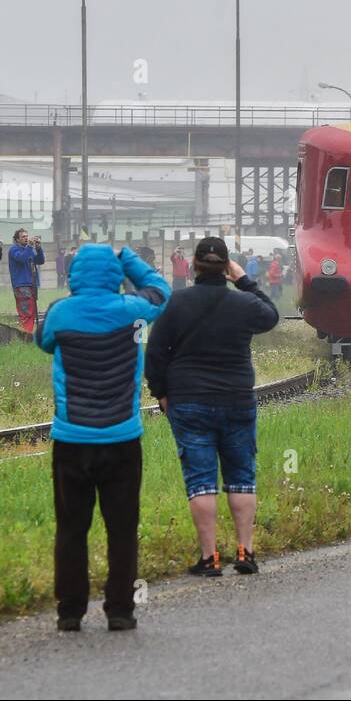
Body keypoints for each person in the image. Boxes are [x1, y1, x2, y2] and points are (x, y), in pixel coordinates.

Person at [35, 244, 170, 631]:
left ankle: (70, 612)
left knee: (72, 529)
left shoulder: (61, 313)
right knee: (122, 529)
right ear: (115, 275)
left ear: (74, 274)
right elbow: (161, 290)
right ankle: (120, 610)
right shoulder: (132, 311)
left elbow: (41, 339)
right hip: (121, 440)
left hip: (71, 441)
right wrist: (127, 255)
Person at [145, 237, 279, 576]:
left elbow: (156, 353)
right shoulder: (244, 304)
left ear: (192, 266)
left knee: (201, 480)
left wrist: (160, 391)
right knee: (241, 477)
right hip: (236, 399)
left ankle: (210, 559)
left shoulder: (176, 303)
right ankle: (245, 553)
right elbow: (271, 315)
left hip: (189, 402)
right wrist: (244, 280)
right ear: (227, 268)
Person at [7, 228, 45, 333]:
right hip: (21, 285)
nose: (26, 238)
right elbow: (22, 258)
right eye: (23, 237)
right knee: (26, 313)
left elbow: (40, 261)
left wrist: (38, 248)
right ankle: (25, 336)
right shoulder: (14, 250)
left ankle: (28, 335)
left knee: (32, 312)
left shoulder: (28, 249)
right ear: (17, 239)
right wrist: (29, 247)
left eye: (26, 236)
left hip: (31, 284)